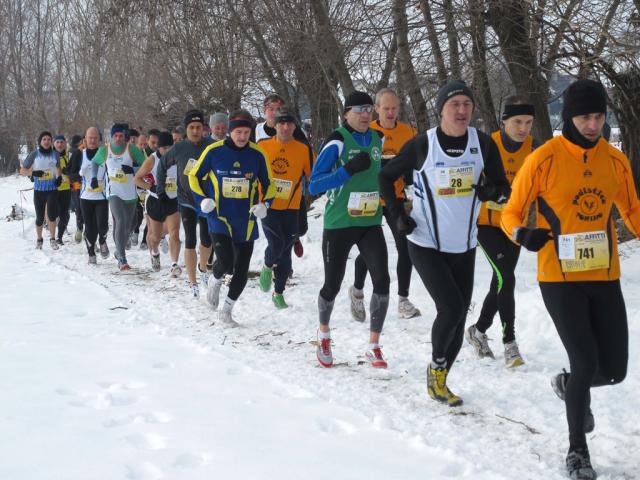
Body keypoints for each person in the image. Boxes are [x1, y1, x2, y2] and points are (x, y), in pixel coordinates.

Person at [500, 79, 640, 480]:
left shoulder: (615, 161)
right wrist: (521, 233)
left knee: (613, 370)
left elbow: (631, 209)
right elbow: (511, 212)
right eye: (584, 117)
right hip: (558, 277)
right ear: (569, 118)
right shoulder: (543, 158)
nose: (593, 124)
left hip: (604, 274)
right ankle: (577, 450)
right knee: (585, 360)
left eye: (598, 116)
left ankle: (568, 384)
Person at [379, 80, 509, 405]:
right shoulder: (423, 145)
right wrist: (397, 214)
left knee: (459, 315)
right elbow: (385, 175)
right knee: (450, 309)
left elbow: (501, 186)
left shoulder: (482, 144)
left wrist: (491, 192)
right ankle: (436, 370)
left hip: (464, 246)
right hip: (425, 243)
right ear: (441, 110)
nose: (462, 110)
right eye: (455, 105)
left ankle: (440, 378)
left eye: (467, 104)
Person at [309, 91, 391, 369]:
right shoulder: (337, 141)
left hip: (369, 222)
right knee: (332, 284)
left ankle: (374, 345)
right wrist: (347, 171)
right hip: (339, 224)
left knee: (382, 279)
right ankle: (323, 333)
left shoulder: (380, 139)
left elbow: (382, 174)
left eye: (369, 109)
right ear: (346, 114)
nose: (365, 114)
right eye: (358, 109)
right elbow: (314, 185)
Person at [465, 95, 538, 368]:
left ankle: (478, 331)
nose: (523, 128)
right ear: (504, 121)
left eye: (529, 122)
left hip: (515, 226)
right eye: (517, 122)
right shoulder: (486, 143)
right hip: (485, 224)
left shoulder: (535, 148)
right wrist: (482, 191)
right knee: (506, 277)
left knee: (501, 281)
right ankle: (510, 344)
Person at [189, 109, 274, 326]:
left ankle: (226, 310)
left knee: (241, 270)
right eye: (238, 132)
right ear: (230, 131)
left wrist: (265, 204)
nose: (242, 137)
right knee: (225, 260)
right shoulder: (214, 151)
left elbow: (270, 184)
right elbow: (193, 176)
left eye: (246, 132)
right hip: (219, 215)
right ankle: (215, 281)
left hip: (246, 220)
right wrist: (202, 200)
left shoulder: (257, 154)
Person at [349, 88, 420, 321]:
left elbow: (416, 165)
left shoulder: (409, 132)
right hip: (370, 197)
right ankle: (357, 291)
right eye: (385, 108)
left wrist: (412, 190)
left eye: (394, 108)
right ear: (376, 109)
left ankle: (403, 300)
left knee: (405, 246)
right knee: (370, 250)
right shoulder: (368, 132)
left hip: (396, 198)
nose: (390, 112)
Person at [257, 107, 314, 308]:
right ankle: (266, 266)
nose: (286, 127)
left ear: (294, 126)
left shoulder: (303, 148)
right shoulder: (262, 146)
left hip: (291, 206)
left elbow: (313, 175)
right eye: (281, 123)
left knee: (286, 252)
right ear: (275, 125)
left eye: (290, 123)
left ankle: (278, 293)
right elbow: (252, 172)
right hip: (267, 205)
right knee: (276, 244)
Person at [156, 110, 213, 297]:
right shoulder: (180, 148)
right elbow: (162, 166)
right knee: (190, 238)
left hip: (205, 200)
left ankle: (202, 268)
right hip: (186, 200)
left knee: (207, 239)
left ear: (203, 128)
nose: (195, 131)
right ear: (186, 129)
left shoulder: (212, 146)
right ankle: (193, 280)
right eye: (191, 128)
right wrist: (161, 191)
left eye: (198, 127)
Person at [254, 93, 310, 258]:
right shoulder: (257, 131)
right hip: (268, 191)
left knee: (300, 228)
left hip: (291, 187)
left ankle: (294, 238)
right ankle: (277, 261)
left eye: (278, 109)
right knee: (277, 239)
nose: (274, 112)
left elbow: (306, 157)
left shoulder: (295, 131)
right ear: (265, 111)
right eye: (271, 109)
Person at [91, 124, 146, 270]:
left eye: (121, 135)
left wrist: (133, 169)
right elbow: (95, 162)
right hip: (113, 192)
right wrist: (94, 178)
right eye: (115, 136)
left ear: (124, 136)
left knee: (130, 225)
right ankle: (122, 258)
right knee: (120, 220)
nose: (118, 138)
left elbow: (146, 165)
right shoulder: (105, 150)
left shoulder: (132, 149)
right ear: (112, 136)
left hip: (130, 193)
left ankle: (118, 248)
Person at [134, 132, 181, 275]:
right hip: (156, 200)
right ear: (158, 148)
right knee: (155, 236)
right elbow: (137, 179)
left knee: (175, 233)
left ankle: (174, 265)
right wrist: (151, 187)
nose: (167, 151)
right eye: (164, 148)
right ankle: (154, 253)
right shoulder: (152, 160)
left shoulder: (178, 157)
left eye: (169, 147)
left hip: (173, 200)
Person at [20, 131, 61, 250]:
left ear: (51, 141)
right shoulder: (34, 154)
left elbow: (58, 167)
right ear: (40, 141)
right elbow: (22, 171)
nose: (47, 141)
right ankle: (39, 239)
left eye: (49, 139)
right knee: (39, 217)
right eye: (44, 139)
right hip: (39, 191)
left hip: (52, 189)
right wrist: (33, 173)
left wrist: (58, 178)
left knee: (52, 216)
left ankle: (53, 239)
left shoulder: (55, 154)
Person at [75, 127, 110, 263]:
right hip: (85, 197)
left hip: (101, 196)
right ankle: (91, 254)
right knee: (89, 227)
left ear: (99, 139)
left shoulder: (104, 153)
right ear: (85, 139)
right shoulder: (80, 155)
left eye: (95, 138)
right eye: (90, 138)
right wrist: (79, 174)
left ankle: (102, 240)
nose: (93, 140)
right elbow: (70, 172)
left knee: (102, 225)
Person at [53, 135, 72, 245]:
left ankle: (59, 237)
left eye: (61, 142)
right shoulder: (50, 156)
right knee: (54, 213)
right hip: (53, 189)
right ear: (54, 144)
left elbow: (75, 171)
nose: (60, 144)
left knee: (65, 215)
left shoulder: (68, 156)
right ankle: (51, 232)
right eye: (57, 142)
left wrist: (68, 172)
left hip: (66, 189)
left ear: (65, 144)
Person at [68, 134, 85, 243]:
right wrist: (79, 178)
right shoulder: (76, 152)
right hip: (77, 185)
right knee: (79, 208)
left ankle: (90, 234)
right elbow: (71, 171)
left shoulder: (97, 152)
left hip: (93, 188)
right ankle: (79, 228)